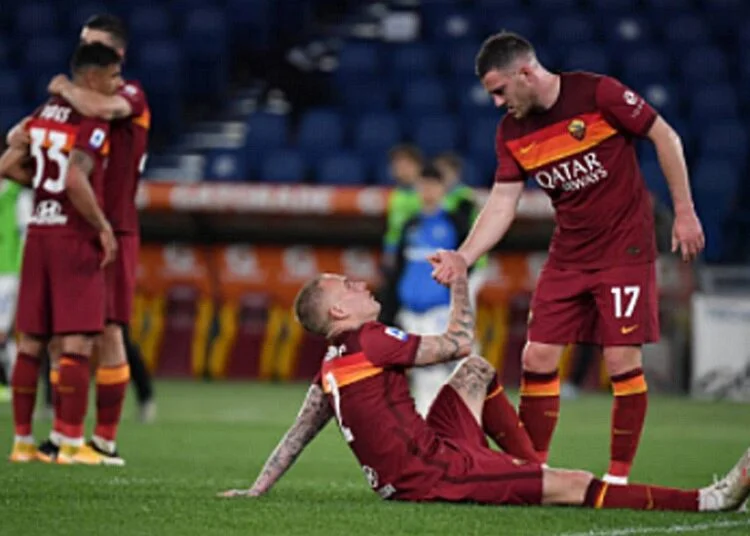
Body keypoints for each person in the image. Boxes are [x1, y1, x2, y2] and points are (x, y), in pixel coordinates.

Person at [218, 270, 749, 513]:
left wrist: (259, 488)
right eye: (347, 287)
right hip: (435, 474)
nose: (360, 285)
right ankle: (711, 500)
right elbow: (456, 338)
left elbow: (299, 432)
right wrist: (460, 282)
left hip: (428, 451)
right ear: (338, 311)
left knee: (475, 372)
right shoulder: (372, 339)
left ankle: (527, 466)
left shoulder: (330, 365)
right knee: (573, 485)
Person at [429, 32, 705, 485]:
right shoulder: (511, 132)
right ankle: (534, 469)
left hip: (624, 249)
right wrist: (464, 256)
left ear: (525, 73)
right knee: (536, 356)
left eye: (500, 91)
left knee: (620, 361)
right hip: (569, 254)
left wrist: (685, 211)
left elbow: (665, 136)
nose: (497, 103)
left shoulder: (598, 94)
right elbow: (502, 203)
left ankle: (617, 478)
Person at [8, 14, 156, 463]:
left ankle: (102, 439)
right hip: (72, 227)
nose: (85, 50)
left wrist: (67, 89)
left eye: (95, 45)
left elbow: (106, 111)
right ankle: (62, 435)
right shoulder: (71, 107)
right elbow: (19, 137)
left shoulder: (128, 94)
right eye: (83, 44)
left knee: (109, 330)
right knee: (60, 338)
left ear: (117, 56)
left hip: (116, 226)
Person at [2, 42, 120, 464]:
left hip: (39, 231)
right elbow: (73, 177)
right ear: (92, 78)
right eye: (112, 77)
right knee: (77, 342)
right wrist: (102, 225)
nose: (116, 85)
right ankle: (70, 442)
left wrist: (42, 189)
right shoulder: (89, 118)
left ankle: (21, 443)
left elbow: (6, 164)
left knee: (31, 341)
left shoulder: (42, 114)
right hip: (73, 235)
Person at [388, 164, 470, 415]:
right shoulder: (410, 224)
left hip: (440, 308)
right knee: (420, 372)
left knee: (437, 370)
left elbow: (470, 262)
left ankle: (440, 423)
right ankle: (430, 423)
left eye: (432, 186)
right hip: (410, 309)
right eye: (423, 186)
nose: (427, 192)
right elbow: (399, 268)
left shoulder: (454, 222)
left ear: (443, 189)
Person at [0, 180, 32, 402]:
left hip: (8, 273)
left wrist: (24, 273)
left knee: (1, 331)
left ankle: (11, 383)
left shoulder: (17, 195)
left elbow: (25, 236)